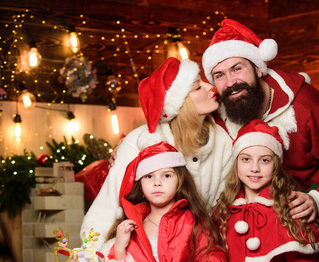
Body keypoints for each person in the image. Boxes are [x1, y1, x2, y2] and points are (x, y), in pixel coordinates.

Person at [202, 19, 319, 262]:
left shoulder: (307, 104)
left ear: (258, 67)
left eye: (237, 68)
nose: (231, 82)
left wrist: (317, 200)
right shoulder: (221, 113)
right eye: (220, 75)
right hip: (264, 228)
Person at [81, 57, 233, 249]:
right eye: (197, 87)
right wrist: (93, 260)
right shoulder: (140, 141)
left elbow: (220, 211)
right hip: (140, 253)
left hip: (194, 254)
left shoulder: (223, 143)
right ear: (180, 104)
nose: (210, 87)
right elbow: (106, 209)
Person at [213, 120, 319, 262]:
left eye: (264, 160)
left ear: (275, 165)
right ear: (236, 163)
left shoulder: (290, 208)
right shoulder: (223, 211)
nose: (255, 168)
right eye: (246, 159)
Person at [100, 141, 227, 262]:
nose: (157, 183)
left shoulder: (194, 221)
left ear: (179, 180)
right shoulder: (132, 225)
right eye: (149, 176)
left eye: (166, 175)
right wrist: (119, 248)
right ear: (140, 184)